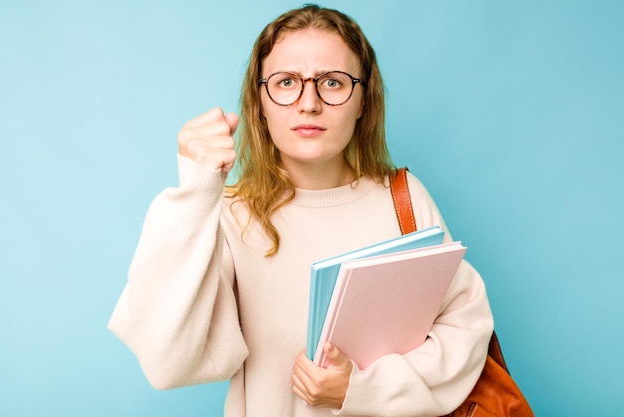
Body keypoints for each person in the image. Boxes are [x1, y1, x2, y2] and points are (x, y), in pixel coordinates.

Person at [108, 4, 493, 416]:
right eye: (287, 81)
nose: (309, 103)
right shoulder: (230, 216)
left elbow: (465, 333)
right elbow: (168, 363)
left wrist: (361, 389)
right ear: (260, 102)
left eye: (332, 82)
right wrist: (197, 190)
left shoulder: (405, 199)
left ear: (363, 101)